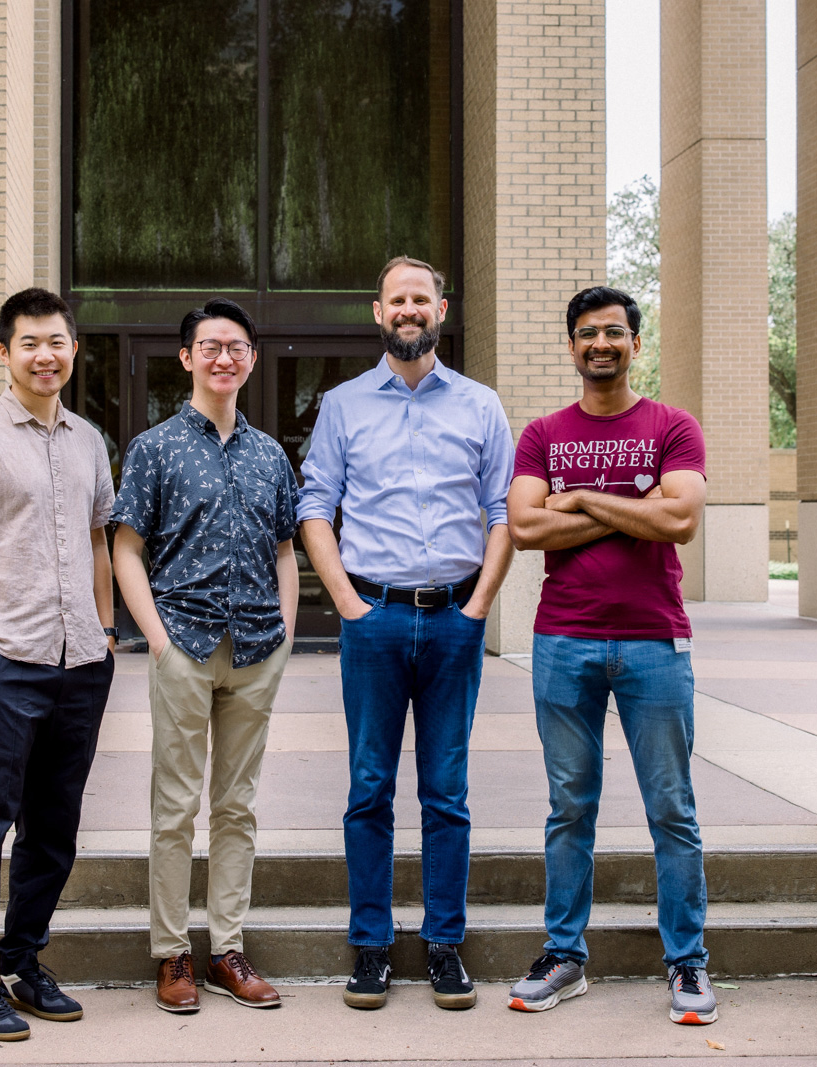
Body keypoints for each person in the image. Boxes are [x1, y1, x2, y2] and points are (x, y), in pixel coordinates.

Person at [297, 255, 515, 1011]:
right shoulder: (344, 405)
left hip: (455, 618)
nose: (410, 309)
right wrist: (348, 606)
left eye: (421, 298)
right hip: (375, 618)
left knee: (446, 790)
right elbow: (315, 507)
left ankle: (445, 945)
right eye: (398, 299)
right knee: (369, 788)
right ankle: (371, 946)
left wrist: (480, 606)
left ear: (442, 309)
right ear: (378, 311)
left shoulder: (482, 405)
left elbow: (502, 511)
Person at [504, 285, 715, 1023]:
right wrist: (631, 505)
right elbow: (525, 529)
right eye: (588, 333)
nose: (601, 343)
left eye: (615, 333)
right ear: (571, 346)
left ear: (634, 344)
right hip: (564, 639)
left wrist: (580, 498)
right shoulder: (541, 433)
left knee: (672, 807)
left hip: (655, 640)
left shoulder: (673, 425)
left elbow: (681, 518)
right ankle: (565, 955)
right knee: (570, 806)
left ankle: (687, 964)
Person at [0, 288, 117, 1041]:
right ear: (3, 351)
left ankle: (22, 961)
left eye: (58, 341)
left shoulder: (88, 441)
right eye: (30, 342)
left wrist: (105, 632)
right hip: (8, 658)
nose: (47, 354)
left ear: (74, 350)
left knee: (54, 828)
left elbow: (99, 539)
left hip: (81, 662)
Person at [111, 298, 299, 1015]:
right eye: (210, 346)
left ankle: (226, 947)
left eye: (237, 347)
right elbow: (126, 547)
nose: (225, 357)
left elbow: (286, 549)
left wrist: (282, 633)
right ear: (186, 357)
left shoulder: (270, 454)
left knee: (237, 804)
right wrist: (157, 639)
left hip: (255, 650)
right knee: (174, 806)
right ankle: (171, 954)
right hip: (183, 644)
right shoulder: (155, 447)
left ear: (251, 359)